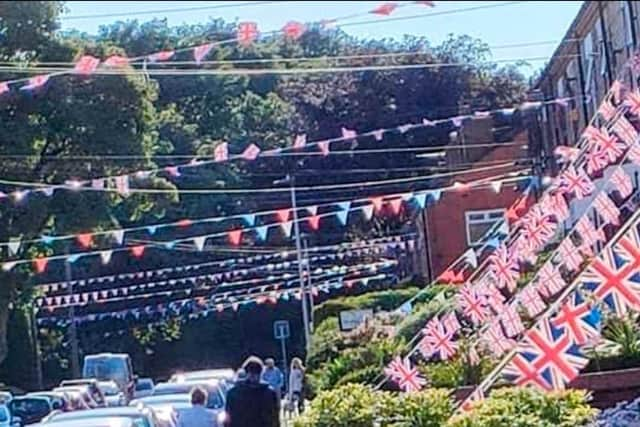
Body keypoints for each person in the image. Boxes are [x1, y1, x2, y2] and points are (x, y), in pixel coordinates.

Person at [225, 356, 279, 427]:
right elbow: (274, 419)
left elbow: (228, 420)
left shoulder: (233, 393)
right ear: (261, 373)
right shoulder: (269, 393)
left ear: (246, 372)